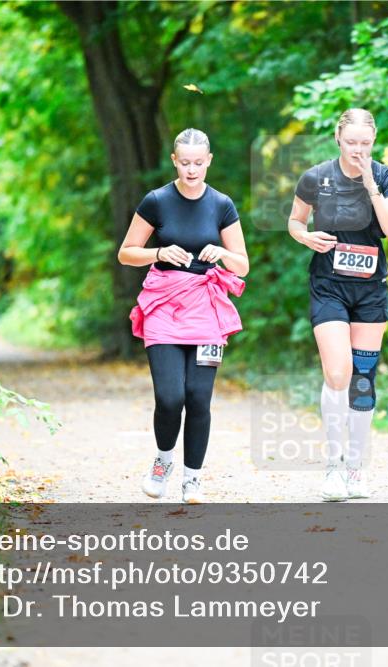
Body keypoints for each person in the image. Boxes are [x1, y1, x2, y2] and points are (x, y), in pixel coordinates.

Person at [119, 128, 250, 504]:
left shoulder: (221, 204)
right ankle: (163, 461)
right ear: (174, 161)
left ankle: (193, 479)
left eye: (198, 163)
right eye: (185, 163)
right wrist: (159, 253)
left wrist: (221, 253)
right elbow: (126, 253)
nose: (192, 170)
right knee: (170, 397)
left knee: (198, 398)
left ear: (209, 161)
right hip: (163, 305)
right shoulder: (156, 201)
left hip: (206, 309)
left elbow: (242, 265)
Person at [287, 108, 388, 501]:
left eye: (365, 143)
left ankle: (355, 467)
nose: (358, 149)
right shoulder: (316, 177)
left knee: (363, 380)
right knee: (338, 373)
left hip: (370, 290)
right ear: (338, 137)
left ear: (374, 141)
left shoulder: (386, 177)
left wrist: (370, 184)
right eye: (351, 142)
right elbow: (295, 221)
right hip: (329, 286)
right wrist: (306, 237)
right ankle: (333, 466)